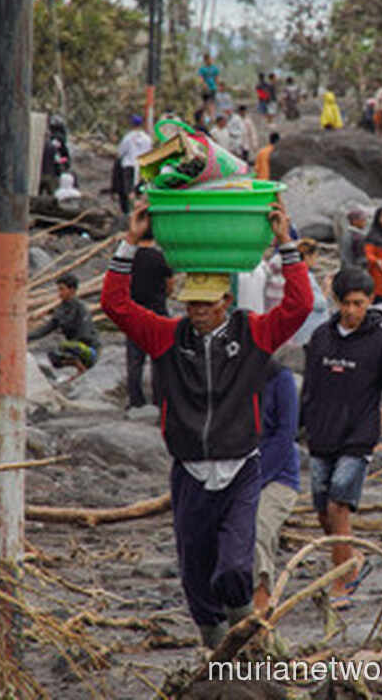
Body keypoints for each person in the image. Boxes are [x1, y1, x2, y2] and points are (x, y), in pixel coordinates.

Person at [101, 201, 312, 648]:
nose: (196, 311)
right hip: (190, 471)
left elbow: (299, 306)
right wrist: (130, 242)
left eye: (206, 304)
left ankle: (246, 643)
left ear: (226, 303)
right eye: (191, 304)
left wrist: (286, 243)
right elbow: (115, 305)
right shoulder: (167, 338)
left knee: (236, 567)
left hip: (241, 469)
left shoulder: (252, 333)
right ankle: (217, 653)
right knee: (195, 574)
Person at [302, 267, 382, 607]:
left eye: (359, 303)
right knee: (323, 514)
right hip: (321, 434)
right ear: (336, 301)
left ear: (370, 301)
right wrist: (300, 427)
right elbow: (309, 388)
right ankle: (353, 558)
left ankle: (343, 581)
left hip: (359, 435)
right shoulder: (320, 339)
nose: (352, 311)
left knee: (339, 504)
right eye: (346, 303)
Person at [253, 363, 300, 615]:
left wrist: (256, 479)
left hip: (279, 475)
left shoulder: (280, 377)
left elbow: (286, 434)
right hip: (233, 471)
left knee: (259, 528)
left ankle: (261, 603)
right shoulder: (229, 374)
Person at [125, 225, 174, 409]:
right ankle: (159, 400)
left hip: (135, 313)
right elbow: (170, 285)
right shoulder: (160, 257)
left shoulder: (130, 258)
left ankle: (135, 400)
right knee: (159, 359)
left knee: (134, 360)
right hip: (157, 313)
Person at [29, 272, 101, 371]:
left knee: (65, 346)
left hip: (89, 350)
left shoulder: (81, 308)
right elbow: (46, 329)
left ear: (72, 290)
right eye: (58, 289)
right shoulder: (61, 309)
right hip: (74, 347)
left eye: (62, 289)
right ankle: (79, 367)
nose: (59, 293)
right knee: (53, 356)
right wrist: (26, 338)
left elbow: (86, 333)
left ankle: (82, 367)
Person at [115, 113, 152, 213]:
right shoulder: (147, 138)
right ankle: (141, 209)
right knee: (142, 189)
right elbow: (149, 151)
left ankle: (132, 210)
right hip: (143, 166)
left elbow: (120, 152)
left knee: (129, 189)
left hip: (129, 165)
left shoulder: (127, 138)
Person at [39, 114, 70, 195]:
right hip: (52, 171)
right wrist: (63, 162)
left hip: (43, 170)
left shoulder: (48, 141)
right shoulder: (57, 141)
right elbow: (62, 158)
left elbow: (63, 158)